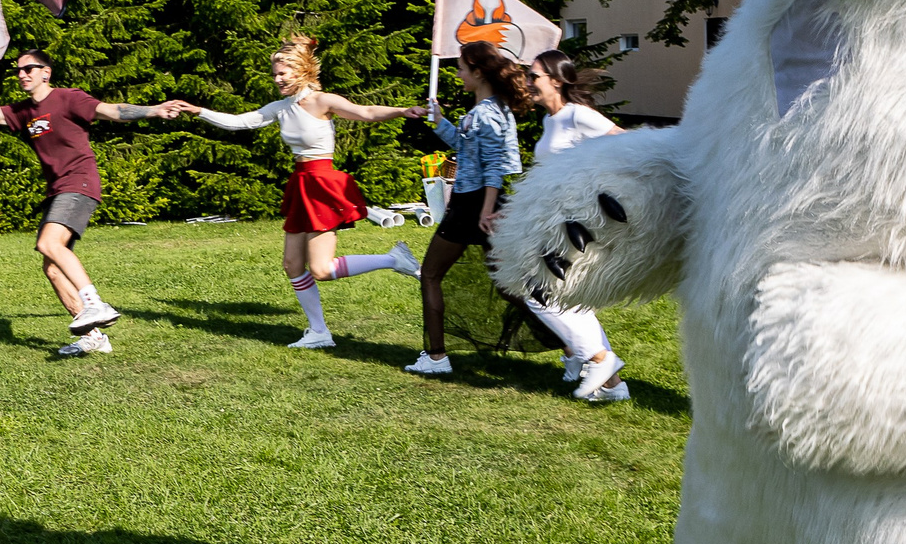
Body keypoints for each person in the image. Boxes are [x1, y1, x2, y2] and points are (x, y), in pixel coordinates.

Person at [0, 52, 188, 357]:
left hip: (80, 182)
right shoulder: (23, 112)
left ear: (45, 72)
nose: (22, 74)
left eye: (29, 68)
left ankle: (94, 303)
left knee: (49, 244)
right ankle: (93, 336)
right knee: (52, 268)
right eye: (19, 70)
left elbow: (112, 111)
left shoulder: (67, 99)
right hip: (57, 189)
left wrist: (155, 111)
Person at [186, 34, 423, 349]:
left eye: (283, 73)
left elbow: (364, 113)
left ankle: (393, 259)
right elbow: (240, 122)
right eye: (274, 74)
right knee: (292, 266)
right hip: (301, 184)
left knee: (322, 269)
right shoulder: (282, 107)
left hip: (323, 184)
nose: (277, 79)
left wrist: (403, 110)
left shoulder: (322, 101)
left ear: (301, 71)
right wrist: (197, 111)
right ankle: (319, 332)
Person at [406, 40, 532, 377]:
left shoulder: (485, 114)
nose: (459, 74)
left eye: (462, 68)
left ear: (478, 72)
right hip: (480, 203)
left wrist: (484, 210)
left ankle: (436, 358)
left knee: (430, 275)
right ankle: (575, 349)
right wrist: (439, 122)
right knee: (508, 286)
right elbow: (466, 150)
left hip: (472, 205)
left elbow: (494, 167)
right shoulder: (491, 110)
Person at [521, 52, 629, 401]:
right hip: (555, 219)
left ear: (555, 79)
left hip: (580, 221)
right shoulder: (551, 121)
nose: (528, 82)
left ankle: (600, 359)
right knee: (569, 295)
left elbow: (627, 143)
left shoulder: (578, 115)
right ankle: (612, 385)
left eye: (533, 76)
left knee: (537, 292)